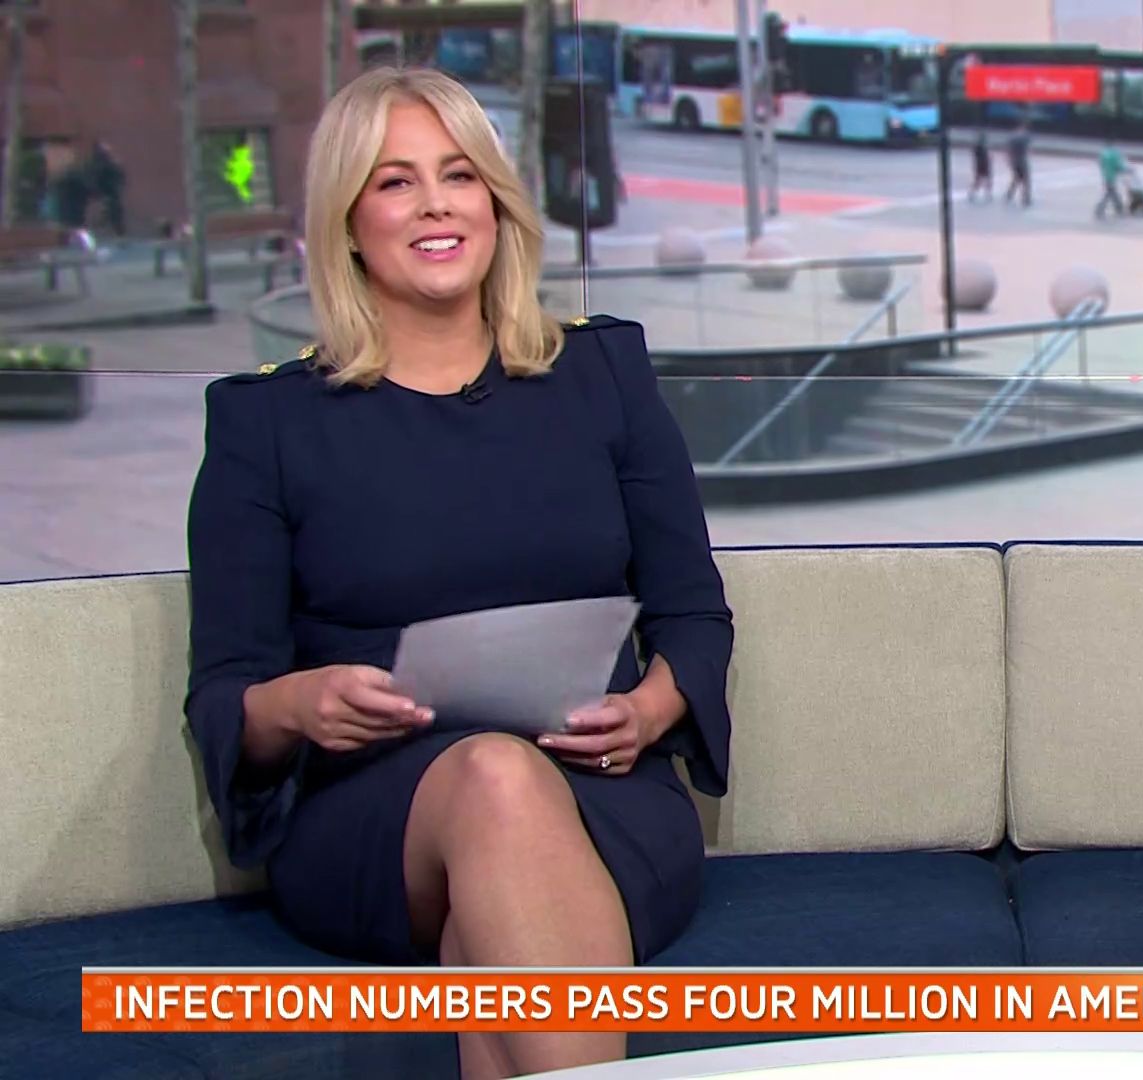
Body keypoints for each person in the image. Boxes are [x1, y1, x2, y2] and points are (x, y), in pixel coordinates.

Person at [184, 67, 733, 1079]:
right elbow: (227, 692)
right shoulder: (267, 424)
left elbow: (693, 614)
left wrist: (649, 710)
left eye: (459, 174)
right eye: (396, 182)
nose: (436, 204)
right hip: (373, 818)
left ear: (495, 202)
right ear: (349, 225)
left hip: (603, 796)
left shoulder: (602, 374)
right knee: (491, 776)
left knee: (494, 931)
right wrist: (301, 704)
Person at [1095, 140, 1127, 219]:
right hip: (1112, 176)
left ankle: (1119, 208)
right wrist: (1126, 170)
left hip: (1106, 175)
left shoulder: (1104, 153)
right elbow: (1118, 165)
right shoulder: (1114, 154)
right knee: (1109, 194)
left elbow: (1100, 163)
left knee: (1112, 193)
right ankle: (1100, 209)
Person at [969, 129, 994, 203]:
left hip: (981, 164)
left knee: (981, 180)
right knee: (982, 180)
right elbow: (984, 156)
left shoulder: (978, 147)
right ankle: (985, 193)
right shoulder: (980, 147)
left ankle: (986, 193)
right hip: (983, 164)